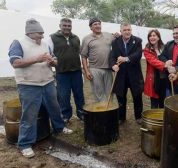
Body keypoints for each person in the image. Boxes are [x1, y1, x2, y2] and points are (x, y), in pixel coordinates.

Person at [8, 18, 73, 158]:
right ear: (30, 33)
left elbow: (55, 60)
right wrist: (37, 59)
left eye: (42, 33)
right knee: (29, 114)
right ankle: (25, 144)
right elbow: (15, 62)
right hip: (28, 85)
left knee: (55, 107)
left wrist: (52, 61)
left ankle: (59, 127)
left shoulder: (44, 44)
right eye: (39, 33)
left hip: (48, 82)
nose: (42, 36)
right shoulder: (18, 43)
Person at [49, 18, 84, 123]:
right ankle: (66, 115)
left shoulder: (75, 38)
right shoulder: (52, 38)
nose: (67, 27)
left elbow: (80, 52)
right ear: (60, 26)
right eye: (64, 25)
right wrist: (53, 62)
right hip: (62, 73)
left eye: (69, 26)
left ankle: (81, 113)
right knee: (64, 95)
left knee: (79, 94)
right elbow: (49, 53)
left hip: (76, 71)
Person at [111, 22, 144, 125]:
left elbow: (138, 55)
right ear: (120, 31)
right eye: (125, 30)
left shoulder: (137, 41)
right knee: (121, 96)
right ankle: (121, 117)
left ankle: (138, 116)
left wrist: (126, 59)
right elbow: (112, 56)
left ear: (131, 30)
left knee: (137, 96)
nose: (127, 32)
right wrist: (113, 65)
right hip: (121, 75)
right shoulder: (115, 42)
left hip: (134, 75)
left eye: (129, 29)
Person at [81, 18, 115, 102]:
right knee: (98, 93)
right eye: (95, 24)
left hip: (108, 69)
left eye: (99, 24)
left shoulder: (109, 35)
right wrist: (86, 71)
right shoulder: (86, 39)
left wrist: (117, 35)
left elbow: (119, 42)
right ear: (90, 27)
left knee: (110, 93)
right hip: (95, 69)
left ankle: (110, 111)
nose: (98, 26)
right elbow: (83, 56)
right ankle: (101, 113)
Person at [143, 29, 166, 108]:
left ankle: (162, 119)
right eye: (150, 36)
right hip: (153, 80)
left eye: (154, 35)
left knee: (163, 102)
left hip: (164, 78)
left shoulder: (164, 48)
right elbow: (153, 61)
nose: (152, 37)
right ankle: (154, 119)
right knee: (154, 103)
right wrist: (165, 65)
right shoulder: (147, 50)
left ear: (158, 37)